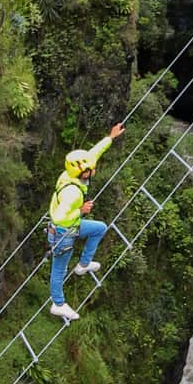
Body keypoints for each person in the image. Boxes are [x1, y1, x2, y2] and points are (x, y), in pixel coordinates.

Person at [47, 122, 125, 321]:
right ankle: (58, 304)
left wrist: (111, 137)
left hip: (71, 227)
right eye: (91, 168)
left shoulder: (71, 174)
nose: (94, 168)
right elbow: (58, 216)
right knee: (59, 270)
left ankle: (83, 265)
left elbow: (93, 154)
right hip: (63, 233)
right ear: (83, 172)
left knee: (99, 228)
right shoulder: (73, 193)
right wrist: (80, 211)